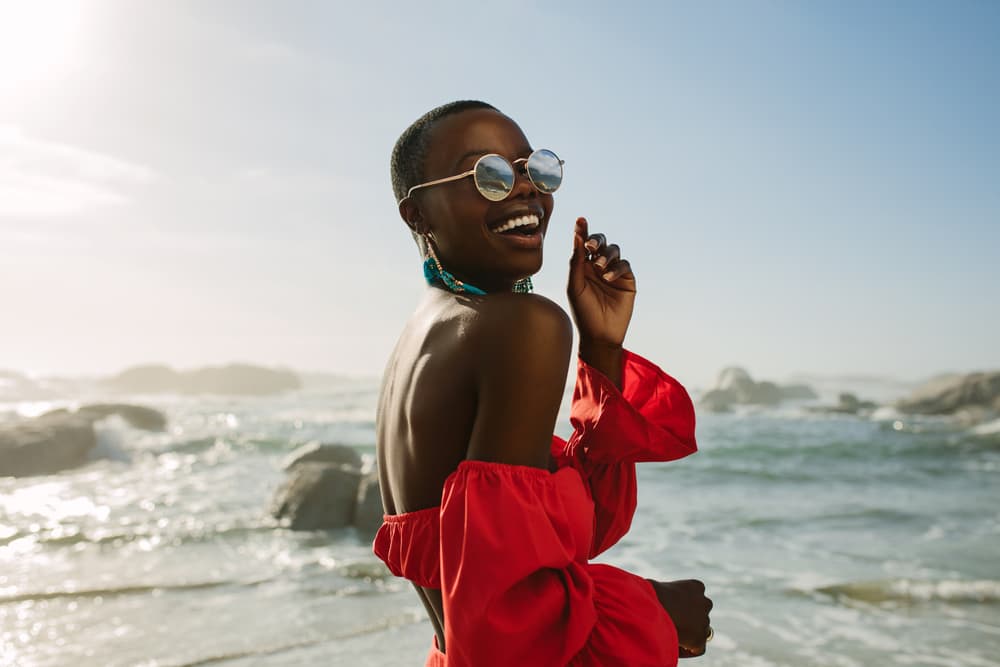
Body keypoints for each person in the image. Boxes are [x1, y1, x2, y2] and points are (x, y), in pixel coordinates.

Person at [373, 100, 713, 666]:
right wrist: (656, 607)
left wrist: (601, 349)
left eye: (533, 170)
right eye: (489, 175)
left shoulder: (422, 339)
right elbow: (513, 629)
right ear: (418, 216)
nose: (526, 189)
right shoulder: (523, 325)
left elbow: (555, 539)